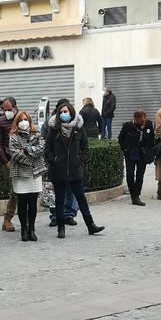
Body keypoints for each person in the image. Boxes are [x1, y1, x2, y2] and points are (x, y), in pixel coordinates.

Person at [45, 102, 105, 239]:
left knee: (81, 199)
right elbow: (47, 149)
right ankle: (61, 228)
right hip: (58, 171)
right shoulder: (54, 129)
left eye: (65, 112)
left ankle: (91, 225)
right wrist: (54, 160)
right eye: (61, 112)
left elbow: (86, 149)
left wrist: (79, 159)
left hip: (74, 170)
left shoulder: (78, 128)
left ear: (71, 113)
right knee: (59, 200)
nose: (63, 114)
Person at [9, 110, 46, 241]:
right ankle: (23, 230)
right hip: (20, 174)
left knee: (32, 202)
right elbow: (14, 153)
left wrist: (25, 150)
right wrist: (31, 156)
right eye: (20, 120)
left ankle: (32, 229)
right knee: (22, 203)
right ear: (17, 122)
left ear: (30, 121)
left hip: (35, 174)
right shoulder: (13, 136)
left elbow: (41, 149)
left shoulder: (37, 134)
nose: (23, 122)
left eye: (26, 119)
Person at [117, 110, 156, 206]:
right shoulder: (128, 126)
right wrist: (125, 149)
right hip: (131, 153)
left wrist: (149, 148)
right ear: (136, 118)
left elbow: (152, 137)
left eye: (145, 118)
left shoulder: (148, 124)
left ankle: (136, 196)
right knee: (130, 174)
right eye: (142, 119)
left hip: (142, 154)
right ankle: (132, 193)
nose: (144, 121)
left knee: (140, 175)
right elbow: (121, 138)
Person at [0, 97, 20, 232]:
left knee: (25, 191)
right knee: (15, 191)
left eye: (9, 109)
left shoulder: (21, 119)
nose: (7, 112)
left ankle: (24, 218)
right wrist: (5, 162)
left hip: (23, 159)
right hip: (9, 160)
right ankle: (7, 219)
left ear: (15, 108)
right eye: (5, 109)